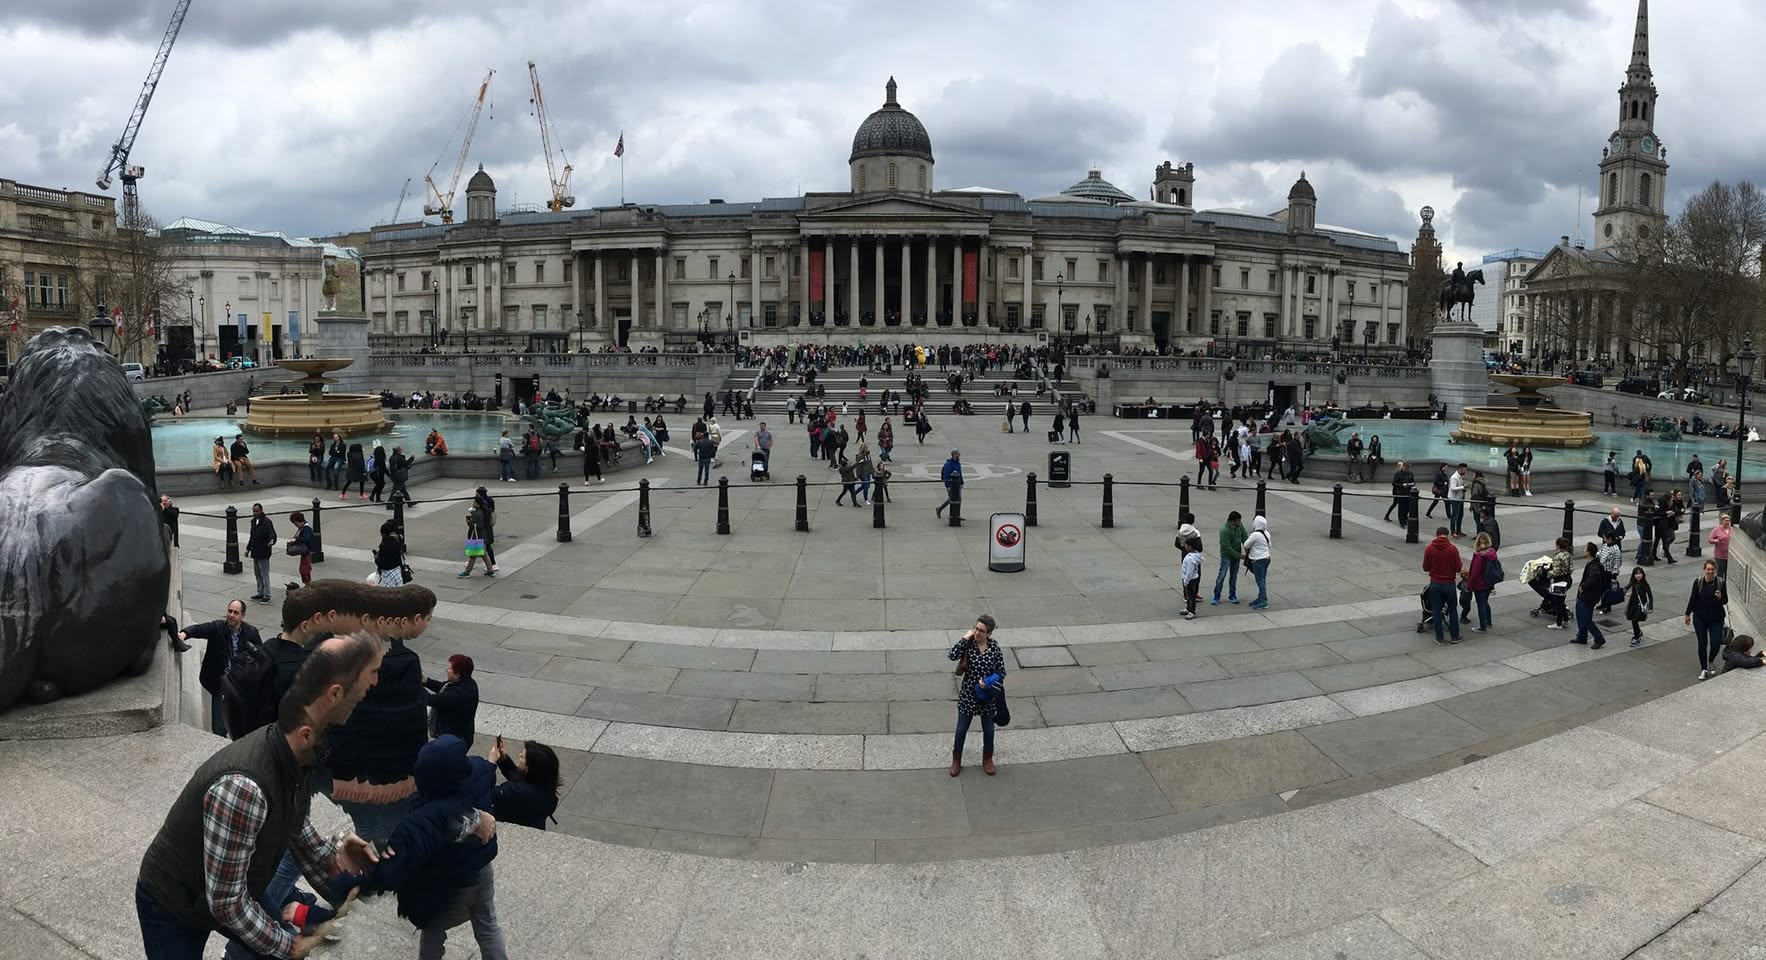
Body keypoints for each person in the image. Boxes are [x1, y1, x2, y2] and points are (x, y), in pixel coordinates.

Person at [134, 632, 386, 960]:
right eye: (362, 692)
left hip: (229, 884)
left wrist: (338, 867)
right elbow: (226, 902)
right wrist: (288, 945)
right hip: (173, 902)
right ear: (333, 694)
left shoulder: (294, 748)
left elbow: (295, 828)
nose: (372, 689)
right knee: (272, 947)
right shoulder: (245, 788)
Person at [326, 734, 508, 960]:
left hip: (448, 882)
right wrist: (493, 758)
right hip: (481, 869)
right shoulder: (476, 771)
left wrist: (353, 881)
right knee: (488, 925)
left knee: (432, 929)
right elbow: (486, 770)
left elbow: (396, 866)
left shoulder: (425, 819)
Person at [183, 600, 262, 738]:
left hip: (240, 685)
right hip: (220, 685)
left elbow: (260, 655)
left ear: (243, 616)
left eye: (235, 612)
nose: (231, 615)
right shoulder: (218, 628)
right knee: (219, 729)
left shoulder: (251, 632)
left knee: (241, 724)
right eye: (229, 611)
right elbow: (201, 629)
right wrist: (184, 634)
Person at [946, 615, 1005, 777]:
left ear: (989, 634)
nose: (977, 633)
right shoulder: (969, 644)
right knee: (961, 729)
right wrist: (965, 638)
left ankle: (987, 759)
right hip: (968, 695)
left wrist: (989, 681)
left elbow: (1001, 671)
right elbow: (951, 655)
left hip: (987, 696)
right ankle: (956, 759)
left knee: (989, 730)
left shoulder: (993, 647)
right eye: (976, 629)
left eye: (982, 631)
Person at [487, 738, 561, 831]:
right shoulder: (546, 787)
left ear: (529, 768)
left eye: (523, 757)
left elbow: (486, 790)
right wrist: (503, 760)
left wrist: (490, 764)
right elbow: (519, 778)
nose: (520, 755)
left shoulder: (512, 791)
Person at [425, 654, 480, 749]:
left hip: (453, 741)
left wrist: (414, 685)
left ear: (457, 674)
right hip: (460, 736)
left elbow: (431, 699)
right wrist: (426, 681)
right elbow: (443, 687)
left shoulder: (458, 694)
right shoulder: (467, 683)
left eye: (450, 668)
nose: (447, 670)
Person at [1686, 559, 1729, 680]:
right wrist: (1687, 614)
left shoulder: (1720, 582)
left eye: (1712, 570)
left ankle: (1711, 660)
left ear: (1715, 570)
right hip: (1700, 617)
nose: (1710, 572)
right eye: (1708, 569)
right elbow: (1693, 598)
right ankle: (1704, 668)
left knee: (1715, 643)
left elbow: (1725, 601)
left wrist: (1720, 597)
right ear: (1704, 570)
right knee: (1702, 643)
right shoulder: (1698, 582)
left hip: (1716, 618)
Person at [1422, 526, 1463, 645]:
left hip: (1435, 583)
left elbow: (1425, 567)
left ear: (1436, 534)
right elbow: (1458, 568)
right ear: (1447, 534)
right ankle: (1454, 636)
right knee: (1452, 609)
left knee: (1435, 609)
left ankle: (1439, 638)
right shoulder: (1452, 549)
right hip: (1449, 583)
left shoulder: (1429, 549)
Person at [1573, 542, 1609, 650]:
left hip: (1588, 596)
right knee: (1579, 612)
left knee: (1586, 618)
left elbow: (1594, 577)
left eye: (1585, 549)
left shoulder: (1594, 565)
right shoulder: (1593, 562)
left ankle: (1599, 638)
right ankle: (1582, 636)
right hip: (1585, 596)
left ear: (1589, 552)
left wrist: (1583, 586)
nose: (1584, 551)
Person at [1465, 532, 1498, 633]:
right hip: (1489, 582)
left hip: (1480, 584)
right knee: (1485, 602)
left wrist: (1469, 586)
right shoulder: (1492, 552)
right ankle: (1488, 622)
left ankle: (1482, 626)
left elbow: (1474, 573)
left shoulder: (1479, 556)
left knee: (1481, 604)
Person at [1212, 511, 1246, 605]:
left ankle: (1232, 594)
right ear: (1232, 521)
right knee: (1222, 575)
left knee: (1233, 575)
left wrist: (1247, 547)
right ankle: (1216, 595)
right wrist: (1240, 556)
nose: (1240, 523)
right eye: (1238, 521)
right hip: (1226, 555)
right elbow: (1227, 548)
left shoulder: (1239, 526)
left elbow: (1244, 536)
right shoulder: (1224, 530)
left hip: (1236, 553)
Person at [247, 503, 277, 603]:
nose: (255, 513)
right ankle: (260, 592)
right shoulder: (253, 522)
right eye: (254, 511)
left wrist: (272, 541)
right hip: (255, 551)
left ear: (261, 510)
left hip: (263, 551)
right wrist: (248, 549)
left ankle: (267, 595)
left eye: (257, 511)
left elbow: (272, 534)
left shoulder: (267, 522)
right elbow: (252, 537)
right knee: (257, 574)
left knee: (264, 574)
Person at [459, 499, 497, 578]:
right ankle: (490, 570)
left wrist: (470, 521)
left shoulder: (478, 513)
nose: (473, 503)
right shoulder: (481, 512)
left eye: (474, 502)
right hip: (481, 536)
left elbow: (478, 526)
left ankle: (467, 571)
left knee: (472, 555)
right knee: (483, 554)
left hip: (476, 536)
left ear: (478, 504)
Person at [1243, 515, 1272, 610]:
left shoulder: (1255, 535)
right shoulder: (1266, 533)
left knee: (1260, 581)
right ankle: (1260, 597)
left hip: (1257, 560)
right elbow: (1269, 545)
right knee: (1262, 579)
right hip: (1266, 558)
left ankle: (1263, 601)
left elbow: (1246, 545)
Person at [1624, 567, 1653, 647]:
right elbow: (1626, 588)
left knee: (1635, 619)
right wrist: (1625, 592)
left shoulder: (1645, 585)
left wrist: (1650, 607)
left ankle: (1636, 637)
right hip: (1633, 604)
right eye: (1636, 574)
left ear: (1643, 575)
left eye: (1640, 573)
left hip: (1640, 605)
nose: (1638, 575)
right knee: (1633, 620)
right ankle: (1638, 633)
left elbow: (1650, 596)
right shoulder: (1633, 583)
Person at [374, 521, 406, 587]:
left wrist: (376, 558)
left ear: (384, 534)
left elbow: (381, 564)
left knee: (387, 594)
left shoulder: (384, 545)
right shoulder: (396, 541)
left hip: (388, 575)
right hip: (397, 572)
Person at [286, 512, 315, 585]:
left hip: (306, 552)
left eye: (295, 523)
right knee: (304, 569)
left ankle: (307, 585)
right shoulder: (304, 528)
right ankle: (307, 584)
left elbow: (306, 539)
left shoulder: (306, 529)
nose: (295, 525)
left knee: (305, 570)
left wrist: (296, 540)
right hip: (305, 552)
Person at [1179, 537, 1203, 620]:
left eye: (1186, 545)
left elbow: (1189, 571)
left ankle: (1192, 611)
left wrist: (1186, 580)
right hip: (1192, 578)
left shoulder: (1190, 559)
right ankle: (1188, 608)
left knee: (1191, 595)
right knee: (1189, 595)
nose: (1184, 546)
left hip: (1190, 579)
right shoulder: (1194, 555)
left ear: (1190, 546)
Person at [935, 449, 963, 519]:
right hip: (951, 485)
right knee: (953, 499)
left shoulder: (958, 463)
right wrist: (948, 486)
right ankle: (940, 509)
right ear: (954, 454)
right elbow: (946, 475)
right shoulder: (948, 464)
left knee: (957, 499)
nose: (959, 455)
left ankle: (956, 514)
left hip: (957, 484)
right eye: (957, 454)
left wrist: (961, 482)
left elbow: (960, 474)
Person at [1387, 460, 1415, 526]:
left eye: (1408, 467)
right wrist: (1402, 485)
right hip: (1400, 492)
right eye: (1406, 467)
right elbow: (1394, 483)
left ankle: (1405, 518)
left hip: (1408, 492)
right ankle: (1401, 521)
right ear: (1404, 466)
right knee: (1401, 507)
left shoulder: (1410, 473)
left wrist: (1412, 484)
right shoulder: (1398, 474)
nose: (1407, 469)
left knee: (1407, 507)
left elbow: (1413, 481)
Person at [1709, 512, 1735, 580]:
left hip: (1729, 555)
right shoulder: (1716, 530)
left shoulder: (1731, 529)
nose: (1727, 522)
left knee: (1728, 573)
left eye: (1728, 521)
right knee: (1720, 573)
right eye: (1726, 521)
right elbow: (1710, 539)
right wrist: (1716, 541)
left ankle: (1725, 587)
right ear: (1722, 521)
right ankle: (1719, 586)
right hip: (1720, 556)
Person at [1446, 463, 1468, 538]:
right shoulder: (1454, 477)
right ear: (1460, 469)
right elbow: (1452, 488)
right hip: (1455, 499)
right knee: (1454, 515)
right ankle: (1453, 531)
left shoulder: (1460, 476)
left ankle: (1458, 530)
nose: (1465, 471)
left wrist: (1463, 489)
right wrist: (1463, 487)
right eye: (1464, 470)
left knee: (1460, 515)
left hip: (1459, 498)